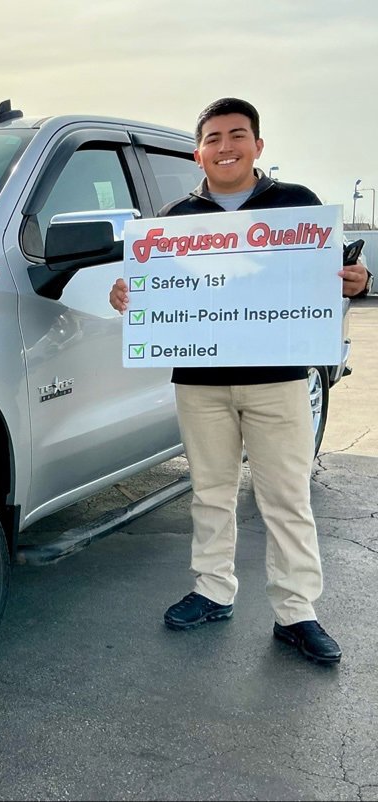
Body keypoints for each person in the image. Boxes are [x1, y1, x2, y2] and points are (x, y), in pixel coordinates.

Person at [109, 97, 372, 665]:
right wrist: (128, 296)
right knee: (210, 493)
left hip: (277, 381)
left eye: (237, 135)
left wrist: (356, 279)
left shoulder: (296, 207)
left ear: (258, 144)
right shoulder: (173, 221)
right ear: (198, 151)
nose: (225, 146)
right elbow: (152, 293)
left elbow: (335, 279)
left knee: (286, 498)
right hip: (200, 383)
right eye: (213, 138)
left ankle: (297, 612)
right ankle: (212, 591)